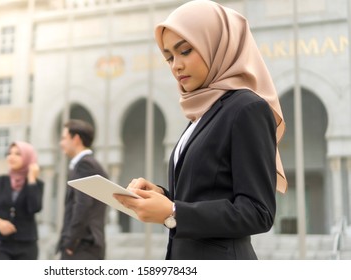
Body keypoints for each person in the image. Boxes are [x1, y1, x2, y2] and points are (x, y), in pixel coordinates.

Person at [114, 0, 287, 260]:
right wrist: (161, 196)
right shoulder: (203, 110)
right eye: (169, 56)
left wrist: (173, 212)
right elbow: (206, 193)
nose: (176, 66)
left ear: (216, 45)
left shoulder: (246, 108)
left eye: (185, 51)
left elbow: (257, 212)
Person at [0, 141, 44, 260]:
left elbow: (34, 208)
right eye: (9, 153)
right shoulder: (0, 181)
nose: (11, 157)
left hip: (26, 246)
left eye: (17, 154)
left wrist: (31, 179)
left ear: (28, 158)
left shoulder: (36, 184)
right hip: (0, 245)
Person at [57, 119, 109, 260]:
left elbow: (82, 205)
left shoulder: (85, 165)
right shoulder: (90, 164)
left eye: (63, 138)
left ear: (76, 139)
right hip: (84, 246)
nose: (61, 143)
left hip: (82, 246)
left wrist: (70, 242)